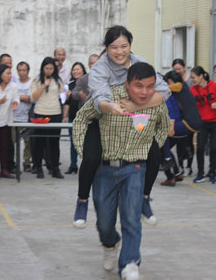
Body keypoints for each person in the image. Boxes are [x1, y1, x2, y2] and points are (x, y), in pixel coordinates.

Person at [73, 62, 170, 280]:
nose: (144, 92)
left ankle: (130, 263)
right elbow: (82, 118)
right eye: (138, 86)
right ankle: (110, 243)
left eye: (150, 86)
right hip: (104, 168)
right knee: (104, 222)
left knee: (131, 217)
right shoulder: (109, 98)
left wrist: (146, 149)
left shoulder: (156, 103)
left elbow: (163, 127)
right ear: (127, 84)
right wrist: (86, 152)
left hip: (136, 168)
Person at [72, 25, 171, 229]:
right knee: (91, 157)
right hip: (102, 117)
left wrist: (137, 105)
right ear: (106, 48)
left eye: (124, 46)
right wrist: (110, 106)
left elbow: (163, 92)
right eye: (114, 47)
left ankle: (145, 197)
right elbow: (100, 98)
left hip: (130, 116)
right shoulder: (100, 67)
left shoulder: (140, 63)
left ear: (130, 46)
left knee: (153, 153)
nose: (119, 52)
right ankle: (82, 200)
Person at [160, 71, 202, 186]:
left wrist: (156, 85)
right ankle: (176, 173)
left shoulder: (180, 86)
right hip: (189, 123)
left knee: (162, 134)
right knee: (163, 146)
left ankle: (168, 163)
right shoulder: (178, 91)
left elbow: (167, 88)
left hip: (189, 123)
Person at [190, 66, 216, 184]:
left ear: (201, 76)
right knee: (200, 148)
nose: (192, 80)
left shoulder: (214, 86)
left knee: (214, 148)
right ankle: (200, 173)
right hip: (202, 123)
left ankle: (212, 172)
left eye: (194, 77)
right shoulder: (192, 90)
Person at [31, 57, 65, 179]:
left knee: (54, 142)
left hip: (55, 113)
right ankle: (38, 167)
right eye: (46, 68)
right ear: (42, 68)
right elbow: (33, 97)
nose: (49, 71)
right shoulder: (36, 80)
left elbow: (62, 95)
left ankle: (55, 168)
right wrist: (43, 85)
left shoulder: (58, 80)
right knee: (39, 142)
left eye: (51, 68)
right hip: (41, 112)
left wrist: (67, 94)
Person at [63, 62, 87, 174]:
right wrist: (64, 116)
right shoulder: (69, 85)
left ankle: (86, 165)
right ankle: (73, 165)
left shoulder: (87, 83)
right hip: (73, 117)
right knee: (73, 142)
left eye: (78, 69)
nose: (76, 71)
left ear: (83, 71)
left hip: (86, 117)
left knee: (85, 142)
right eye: (74, 69)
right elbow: (67, 103)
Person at [14, 61, 33, 171]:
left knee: (28, 142)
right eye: (20, 70)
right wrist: (22, 97)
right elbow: (11, 97)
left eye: (24, 70)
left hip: (27, 117)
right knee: (12, 143)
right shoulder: (14, 83)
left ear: (28, 71)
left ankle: (27, 163)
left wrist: (18, 96)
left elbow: (31, 98)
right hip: (14, 117)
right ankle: (14, 163)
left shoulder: (32, 83)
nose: (22, 72)